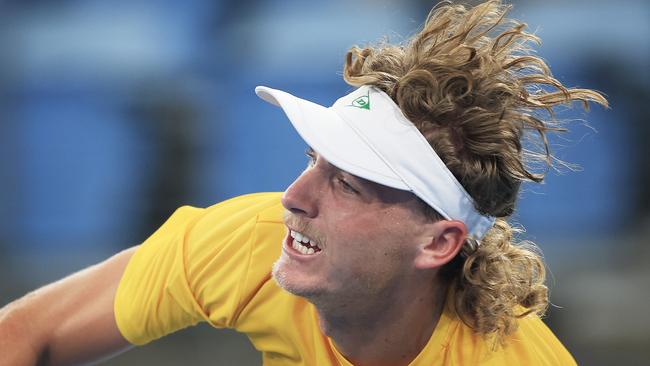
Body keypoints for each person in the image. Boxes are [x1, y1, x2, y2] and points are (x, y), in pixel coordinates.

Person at [0, 1, 607, 365]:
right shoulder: (256, 239)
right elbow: (27, 334)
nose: (294, 197)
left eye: (348, 185)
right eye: (314, 158)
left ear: (438, 243)